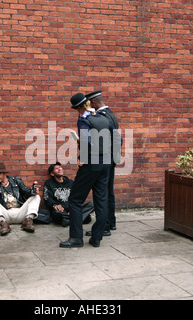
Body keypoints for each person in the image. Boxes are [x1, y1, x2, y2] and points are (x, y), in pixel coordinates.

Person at [60, 93, 113, 248]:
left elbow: (86, 142)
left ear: (78, 108)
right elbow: (118, 140)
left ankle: (76, 238)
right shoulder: (105, 117)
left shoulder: (83, 120)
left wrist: (81, 153)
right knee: (101, 199)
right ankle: (97, 237)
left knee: (75, 200)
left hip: (91, 163)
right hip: (106, 162)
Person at [86, 90, 120, 234]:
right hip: (110, 159)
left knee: (103, 193)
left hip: (104, 158)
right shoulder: (110, 114)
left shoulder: (103, 116)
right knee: (107, 192)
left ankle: (105, 226)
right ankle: (110, 222)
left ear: (93, 103)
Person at [0, 162, 40, 236]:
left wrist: (32, 192)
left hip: (20, 213)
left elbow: (26, 192)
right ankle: (3, 224)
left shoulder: (16, 181)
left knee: (36, 197)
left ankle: (28, 221)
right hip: (5, 215)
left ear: (4, 173)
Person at [43, 162, 93, 227]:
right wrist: (54, 205)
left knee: (92, 204)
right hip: (61, 211)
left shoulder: (70, 182)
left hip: (72, 209)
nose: (59, 169)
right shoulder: (49, 183)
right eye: (56, 168)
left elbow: (77, 196)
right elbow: (47, 197)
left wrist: (73, 210)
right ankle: (76, 219)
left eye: (60, 167)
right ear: (52, 173)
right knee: (57, 213)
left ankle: (68, 220)